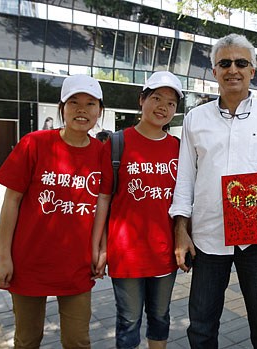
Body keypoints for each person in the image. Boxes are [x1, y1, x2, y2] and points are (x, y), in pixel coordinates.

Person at [169, 33, 257, 349]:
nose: (233, 70)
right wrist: (180, 231)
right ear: (214, 71)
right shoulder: (195, 119)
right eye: (224, 63)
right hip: (208, 239)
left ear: (253, 70)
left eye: (241, 63)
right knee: (200, 328)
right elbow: (184, 179)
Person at [0, 74, 104, 348]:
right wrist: (4, 257)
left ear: (100, 111)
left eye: (90, 103)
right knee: (27, 340)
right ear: (61, 107)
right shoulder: (34, 143)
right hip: (28, 263)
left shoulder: (103, 153)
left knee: (78, 341)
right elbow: (11, 202)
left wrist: (101, 250)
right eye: (74, 102)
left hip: (76, 267)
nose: (82, 109)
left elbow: (105, 207)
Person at [91, 71, 183, 349]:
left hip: (165, 252)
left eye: (171, 103)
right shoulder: (117, 143)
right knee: (128, 321)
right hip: (126, 253)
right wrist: (100, 247)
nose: (163, 107)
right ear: (141, 100)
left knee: (160, 316)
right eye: (156, 98)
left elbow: (186, 199)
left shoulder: (179, 148)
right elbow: (103, 200)